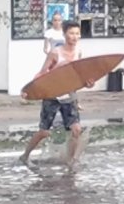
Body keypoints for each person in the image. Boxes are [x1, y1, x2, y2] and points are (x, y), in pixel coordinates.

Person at [19, 20, 93, 168]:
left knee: (76, 129)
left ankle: (70, 161)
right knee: (44, 132)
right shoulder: (55, 53)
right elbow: (42, 73)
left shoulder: (78, 52)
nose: (74, 36)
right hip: (52, 94)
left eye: (77, 33)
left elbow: (78, 76)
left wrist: (88, 83)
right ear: (65, 34)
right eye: (71, 33)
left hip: (69, 94)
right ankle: (25, 155)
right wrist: (29, 90)